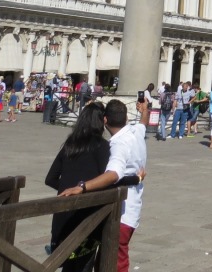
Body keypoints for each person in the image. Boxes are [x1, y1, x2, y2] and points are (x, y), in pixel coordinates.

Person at [59, 99, 147, 272]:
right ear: (126, 117)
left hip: (121, 213)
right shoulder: (136, 131)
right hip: (133, 208)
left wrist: (82, 186)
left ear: (105, 120)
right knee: (106, 260)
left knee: (114, 263)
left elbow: (113, 174)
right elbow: (143, 122)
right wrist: (145, 110)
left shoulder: (118, 144)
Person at [45, 102, 110, 271]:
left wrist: (67, 190)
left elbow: (50, 179)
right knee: (83, 265)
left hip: (63, 215)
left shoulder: (70, 144)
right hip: (87, 216)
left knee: (68, 265)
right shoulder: (102, 146)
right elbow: (106, 179)